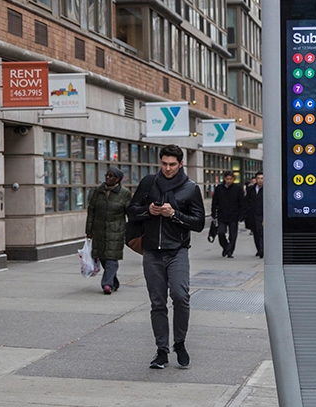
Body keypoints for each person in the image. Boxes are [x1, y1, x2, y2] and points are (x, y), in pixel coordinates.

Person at [127, 144, 205, 369]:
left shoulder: (190, 188)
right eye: (164, 164)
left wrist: (174, 214)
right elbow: (131, 211)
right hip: (151, 252)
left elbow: (198, 223)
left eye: (172, 164)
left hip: (177, 250)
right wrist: (147, 211)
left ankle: (179, 343)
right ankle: (161, 350)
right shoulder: (149, 183)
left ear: (181, 164)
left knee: (181, 297)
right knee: (157, 302)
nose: (168, 168)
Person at [85, 166, 132, 295]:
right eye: (107, 175)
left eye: (111, 176)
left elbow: (130, 213)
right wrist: (88, 230)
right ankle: (113, 282)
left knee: (111, 258)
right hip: (99, 230)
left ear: (118, 179)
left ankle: (106, 284)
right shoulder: (98, 191)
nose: (108, 177)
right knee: (103, 257)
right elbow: (91, 211)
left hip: (115, 231)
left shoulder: (124, 193)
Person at [211, 170, 246, 258]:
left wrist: (241, 215)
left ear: (233, 179)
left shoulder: (237, 189)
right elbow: (215, 201)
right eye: (227, 179)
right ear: (224, 179)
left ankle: (230, 250)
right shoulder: (219, 188)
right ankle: (225, 247)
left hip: (234, 215)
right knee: (221, 232)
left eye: (231, 179)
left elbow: (242, 203)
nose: (229, 181)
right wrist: (213, 213)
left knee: (233, 235)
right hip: (222, 215)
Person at [246, 171, 264, 258]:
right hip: (253, 214)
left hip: (262, 214)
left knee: (261, 232)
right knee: (256, 232)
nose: (260, 180)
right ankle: (259, 249)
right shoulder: (251, 189)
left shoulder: (267, 189)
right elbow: (247, 201)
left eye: (262, 178)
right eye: (258, 178)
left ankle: (262, 249)